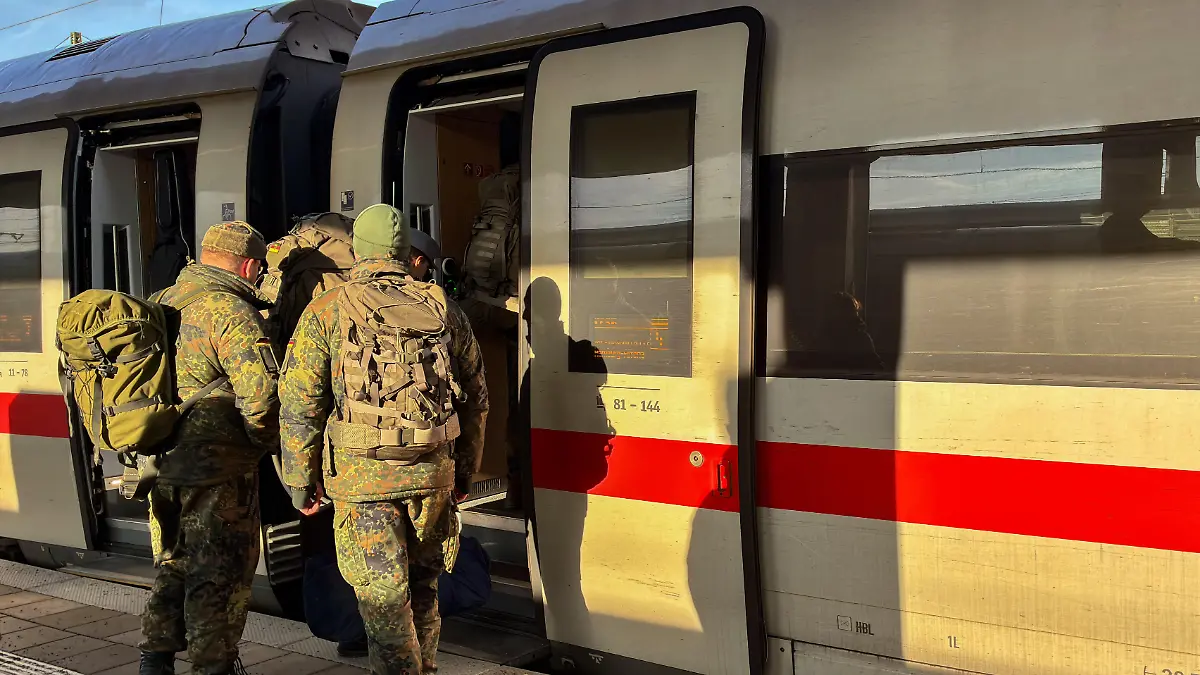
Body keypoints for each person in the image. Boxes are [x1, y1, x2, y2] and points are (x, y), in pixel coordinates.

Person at [280, 204, 489, 675]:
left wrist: (299, 480)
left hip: (362, 480)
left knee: (383, 601)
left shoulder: (326, 310)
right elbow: (476, 400)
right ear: (402, 252)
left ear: (359, 251)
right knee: (423, 588)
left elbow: (300, 403)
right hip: (432, 472)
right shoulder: (441, 306)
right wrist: (464, 474)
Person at [139, 221, 280, 675]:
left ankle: (154, 661)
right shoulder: (230, 310)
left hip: (159, 461)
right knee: (216, 575)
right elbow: (261, 398)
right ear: (250, 264)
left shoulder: (160, 301)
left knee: (173, 564)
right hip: (218, 470)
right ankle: (213, 666)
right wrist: (263, 446)